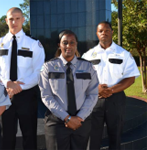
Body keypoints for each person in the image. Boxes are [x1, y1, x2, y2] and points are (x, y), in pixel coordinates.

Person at [0, 7, 45, 150]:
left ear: (23, 20)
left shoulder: (34, 44)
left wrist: (19, 87)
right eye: (11, 19)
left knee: (29, 136)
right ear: (6, 21)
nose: (14, 22)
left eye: (18, 18)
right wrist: (7, 83)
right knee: (7, 137)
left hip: (27, 95)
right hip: (4, 96)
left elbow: (39, 71)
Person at [82, 21, 140, 150]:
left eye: (107, 30)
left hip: (116, 99)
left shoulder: (124, 54)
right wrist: (96, 89)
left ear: (112, 32)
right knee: (92, 137)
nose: (104, 33)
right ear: (97, 34)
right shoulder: (88, 55)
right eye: (101, 31)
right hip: (93, 100)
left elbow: (131, 78)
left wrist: (111, 90)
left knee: (115, 135)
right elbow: (81, 78)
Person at [38, 30, 99, 150]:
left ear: (76, 44)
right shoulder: (48, 67)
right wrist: (67, 118)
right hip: (57, 122)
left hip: (81, 122)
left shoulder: (88, 67)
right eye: (65, 43)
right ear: (59, 45)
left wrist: (79, 117)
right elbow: (46, 96)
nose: (68, 46)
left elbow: (92, 94)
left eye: (72, 43)